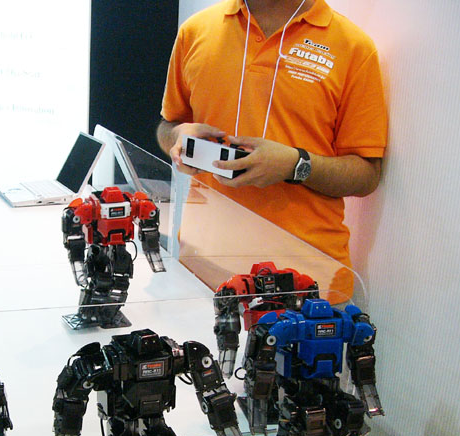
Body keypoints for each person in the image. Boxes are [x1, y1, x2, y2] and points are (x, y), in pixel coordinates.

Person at [157, 0, 387, 299]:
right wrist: (178, 136)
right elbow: (168, 127)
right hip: (202, 272)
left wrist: (295, 165)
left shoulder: (353, 47)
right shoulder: (196, 30)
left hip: (305, 285)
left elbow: (366, 174)